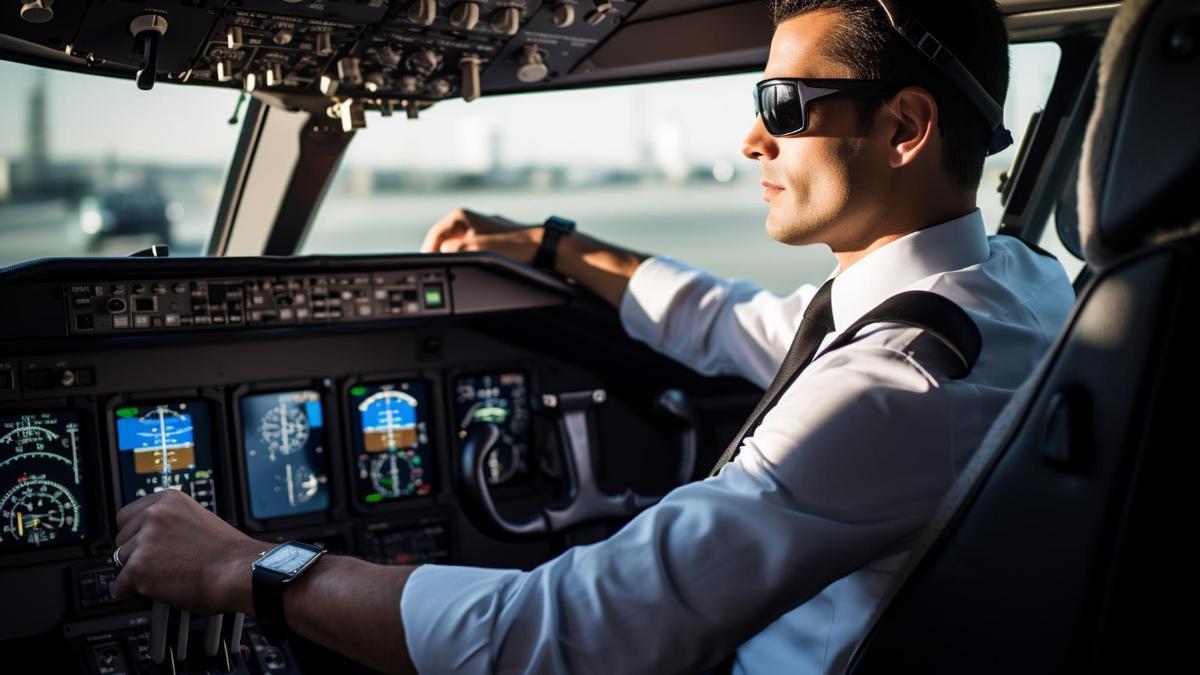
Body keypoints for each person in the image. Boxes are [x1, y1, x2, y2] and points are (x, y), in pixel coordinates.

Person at [110, 1, 1076, 673]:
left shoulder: (892, 386)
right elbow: (732, 321)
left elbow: (561, 637)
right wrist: (551, 246)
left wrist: (248, 568)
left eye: (784, 109)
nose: (750, 142)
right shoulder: (1014, 286)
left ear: (906, 126)